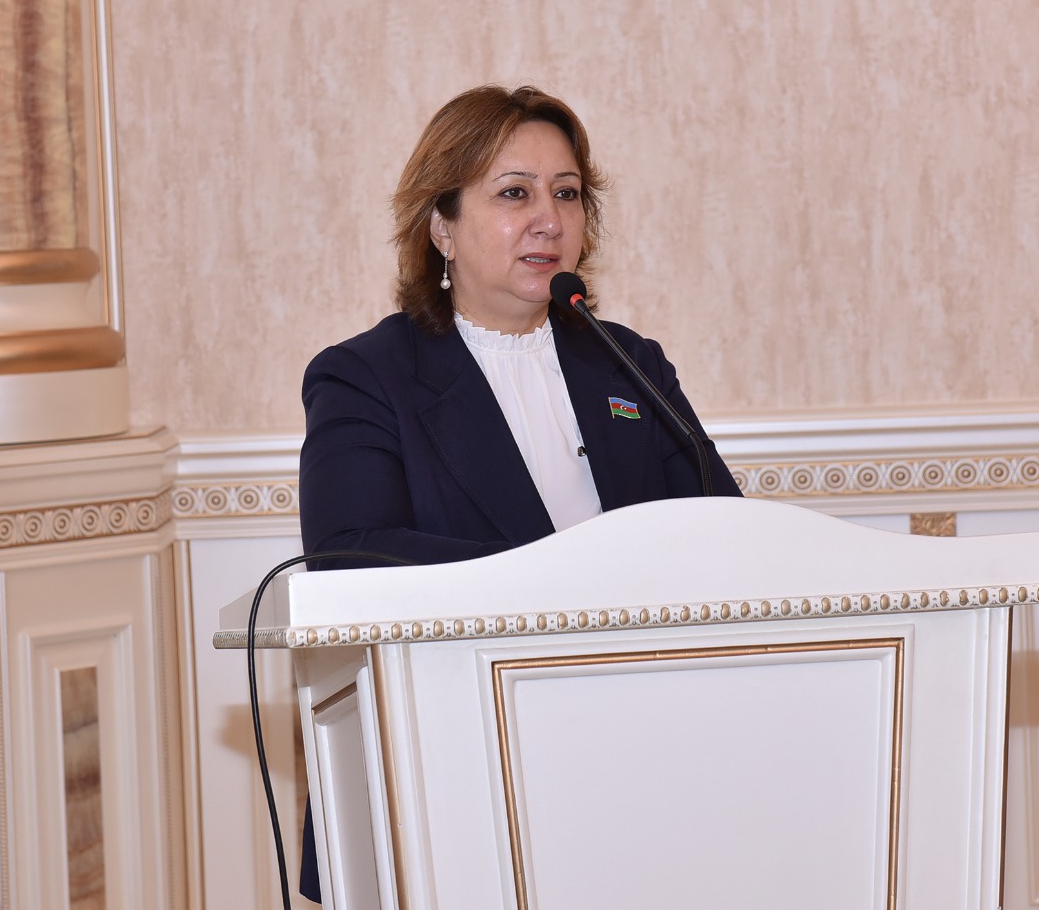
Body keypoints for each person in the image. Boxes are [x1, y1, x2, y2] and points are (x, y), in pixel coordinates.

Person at [294, 84, 740, 901]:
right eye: (513, 193)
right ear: (442, 226)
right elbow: (348, 554)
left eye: (566, 194)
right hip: (446, 761)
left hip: (632, 757)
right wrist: (573, 575)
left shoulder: (627, 362)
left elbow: (723, 525)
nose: (548, 219)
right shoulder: (366, 377)